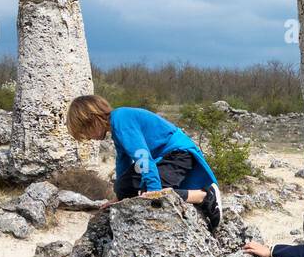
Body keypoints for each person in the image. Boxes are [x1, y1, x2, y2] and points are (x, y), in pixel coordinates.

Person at [66, 94, 222, 232]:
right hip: (162, 158)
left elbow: (142, 156)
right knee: (123, 186)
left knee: (150, 192)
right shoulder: (116, 126)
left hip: (179, 154)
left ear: (93, 119)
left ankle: (205, 196)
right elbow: (123, 162)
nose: (88, 137)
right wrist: (121, 195)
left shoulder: (121, 119)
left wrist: (154, 190)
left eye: (85, 131)